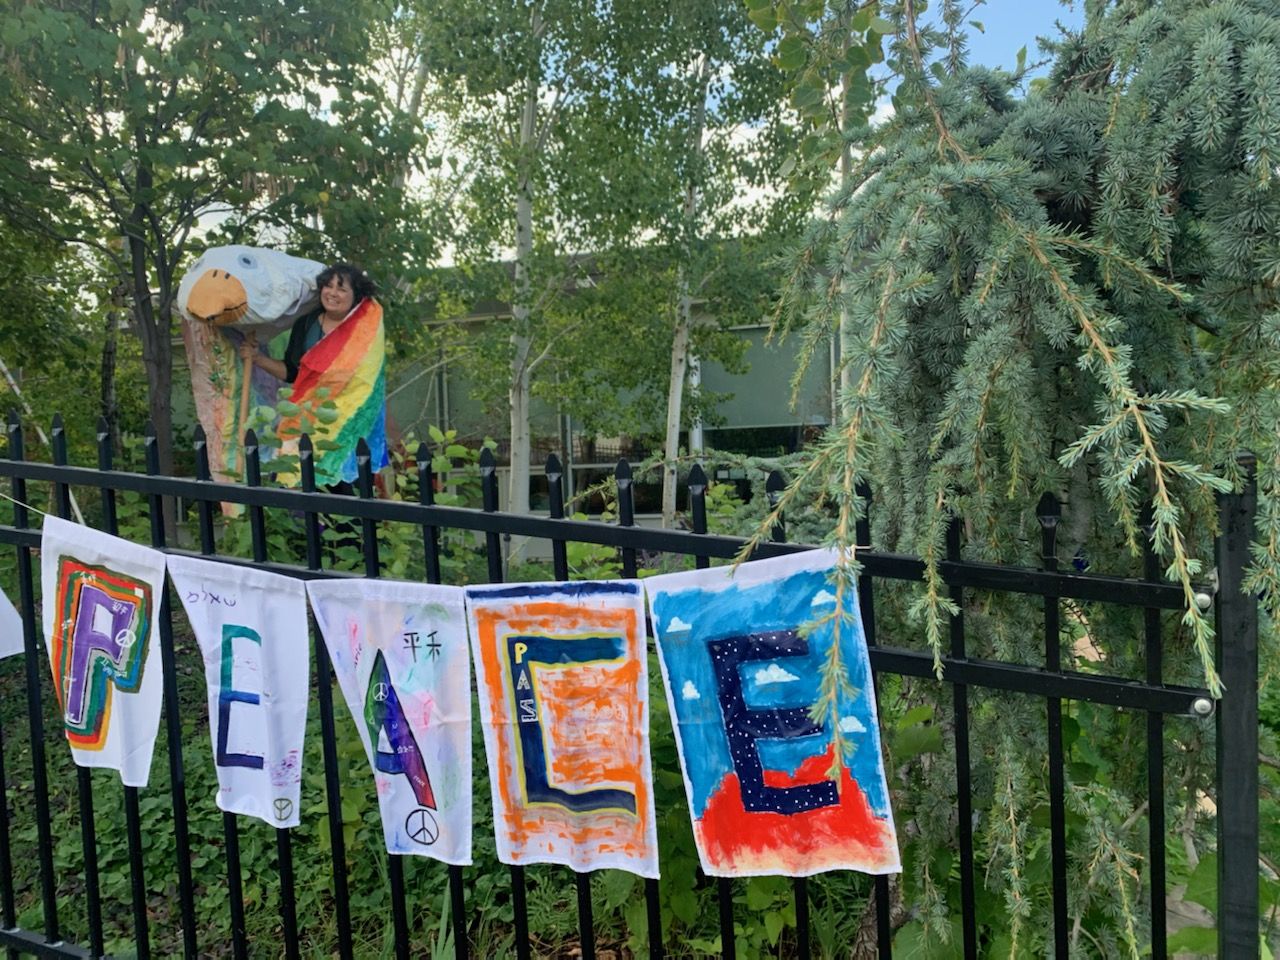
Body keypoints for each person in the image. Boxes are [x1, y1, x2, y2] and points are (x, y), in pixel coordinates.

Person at [239, 262, 378, 385]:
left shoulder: (364, 332)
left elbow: (366, 381)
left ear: (356, 296)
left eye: (342, 289)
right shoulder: (305, 323)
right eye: (328, 286)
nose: (333, 293)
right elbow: (293, 373)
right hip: (309, 408)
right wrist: (257, 358)